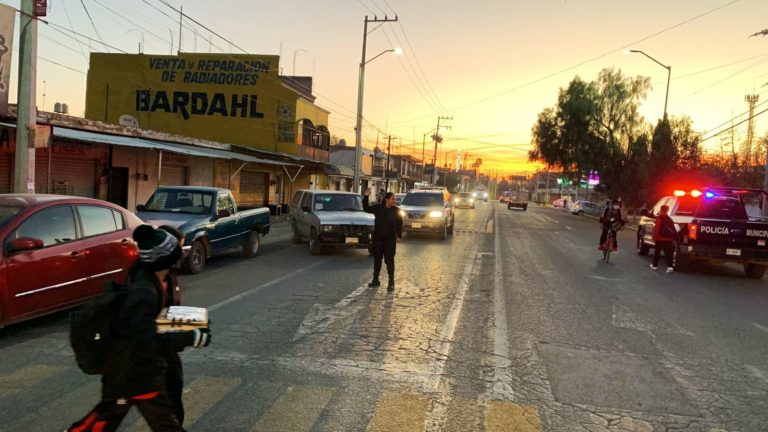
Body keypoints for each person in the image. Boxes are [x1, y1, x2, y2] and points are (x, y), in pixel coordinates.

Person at [67, 225, 211, 432]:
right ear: (166, 259)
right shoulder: (143, 292)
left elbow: (155, 321)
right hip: (134, 372)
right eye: (178, 251)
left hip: (137, 370)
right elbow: (145, 338)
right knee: (124, 419)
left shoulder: (156, 279)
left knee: (111, 417)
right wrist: (190, 337)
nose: (182, 255)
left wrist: (193, 321)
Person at [363, 188, 403, 291]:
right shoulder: (378, 208)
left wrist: (399, 236)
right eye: (392, 199)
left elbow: (400, 223)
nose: (394, 201)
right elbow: (366, 208)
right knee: (377, 260)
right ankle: (375, 280)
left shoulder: (397, 210)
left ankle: (391, 282)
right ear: (387, 199)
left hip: (390, 240)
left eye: (395, 199)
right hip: (378, 239)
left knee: (389, 260)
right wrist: (366, 196)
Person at [651, 204, 676, 273]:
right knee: (669, 253)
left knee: (657, 252)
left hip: (660, 238)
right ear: (667, 211)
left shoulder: (659, 218)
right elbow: (673, 229)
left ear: (661, 210)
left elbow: (657, 229)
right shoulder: (670, 219)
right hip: (669, 239)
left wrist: (654, 238)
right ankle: (670, 267)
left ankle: (654, 265)